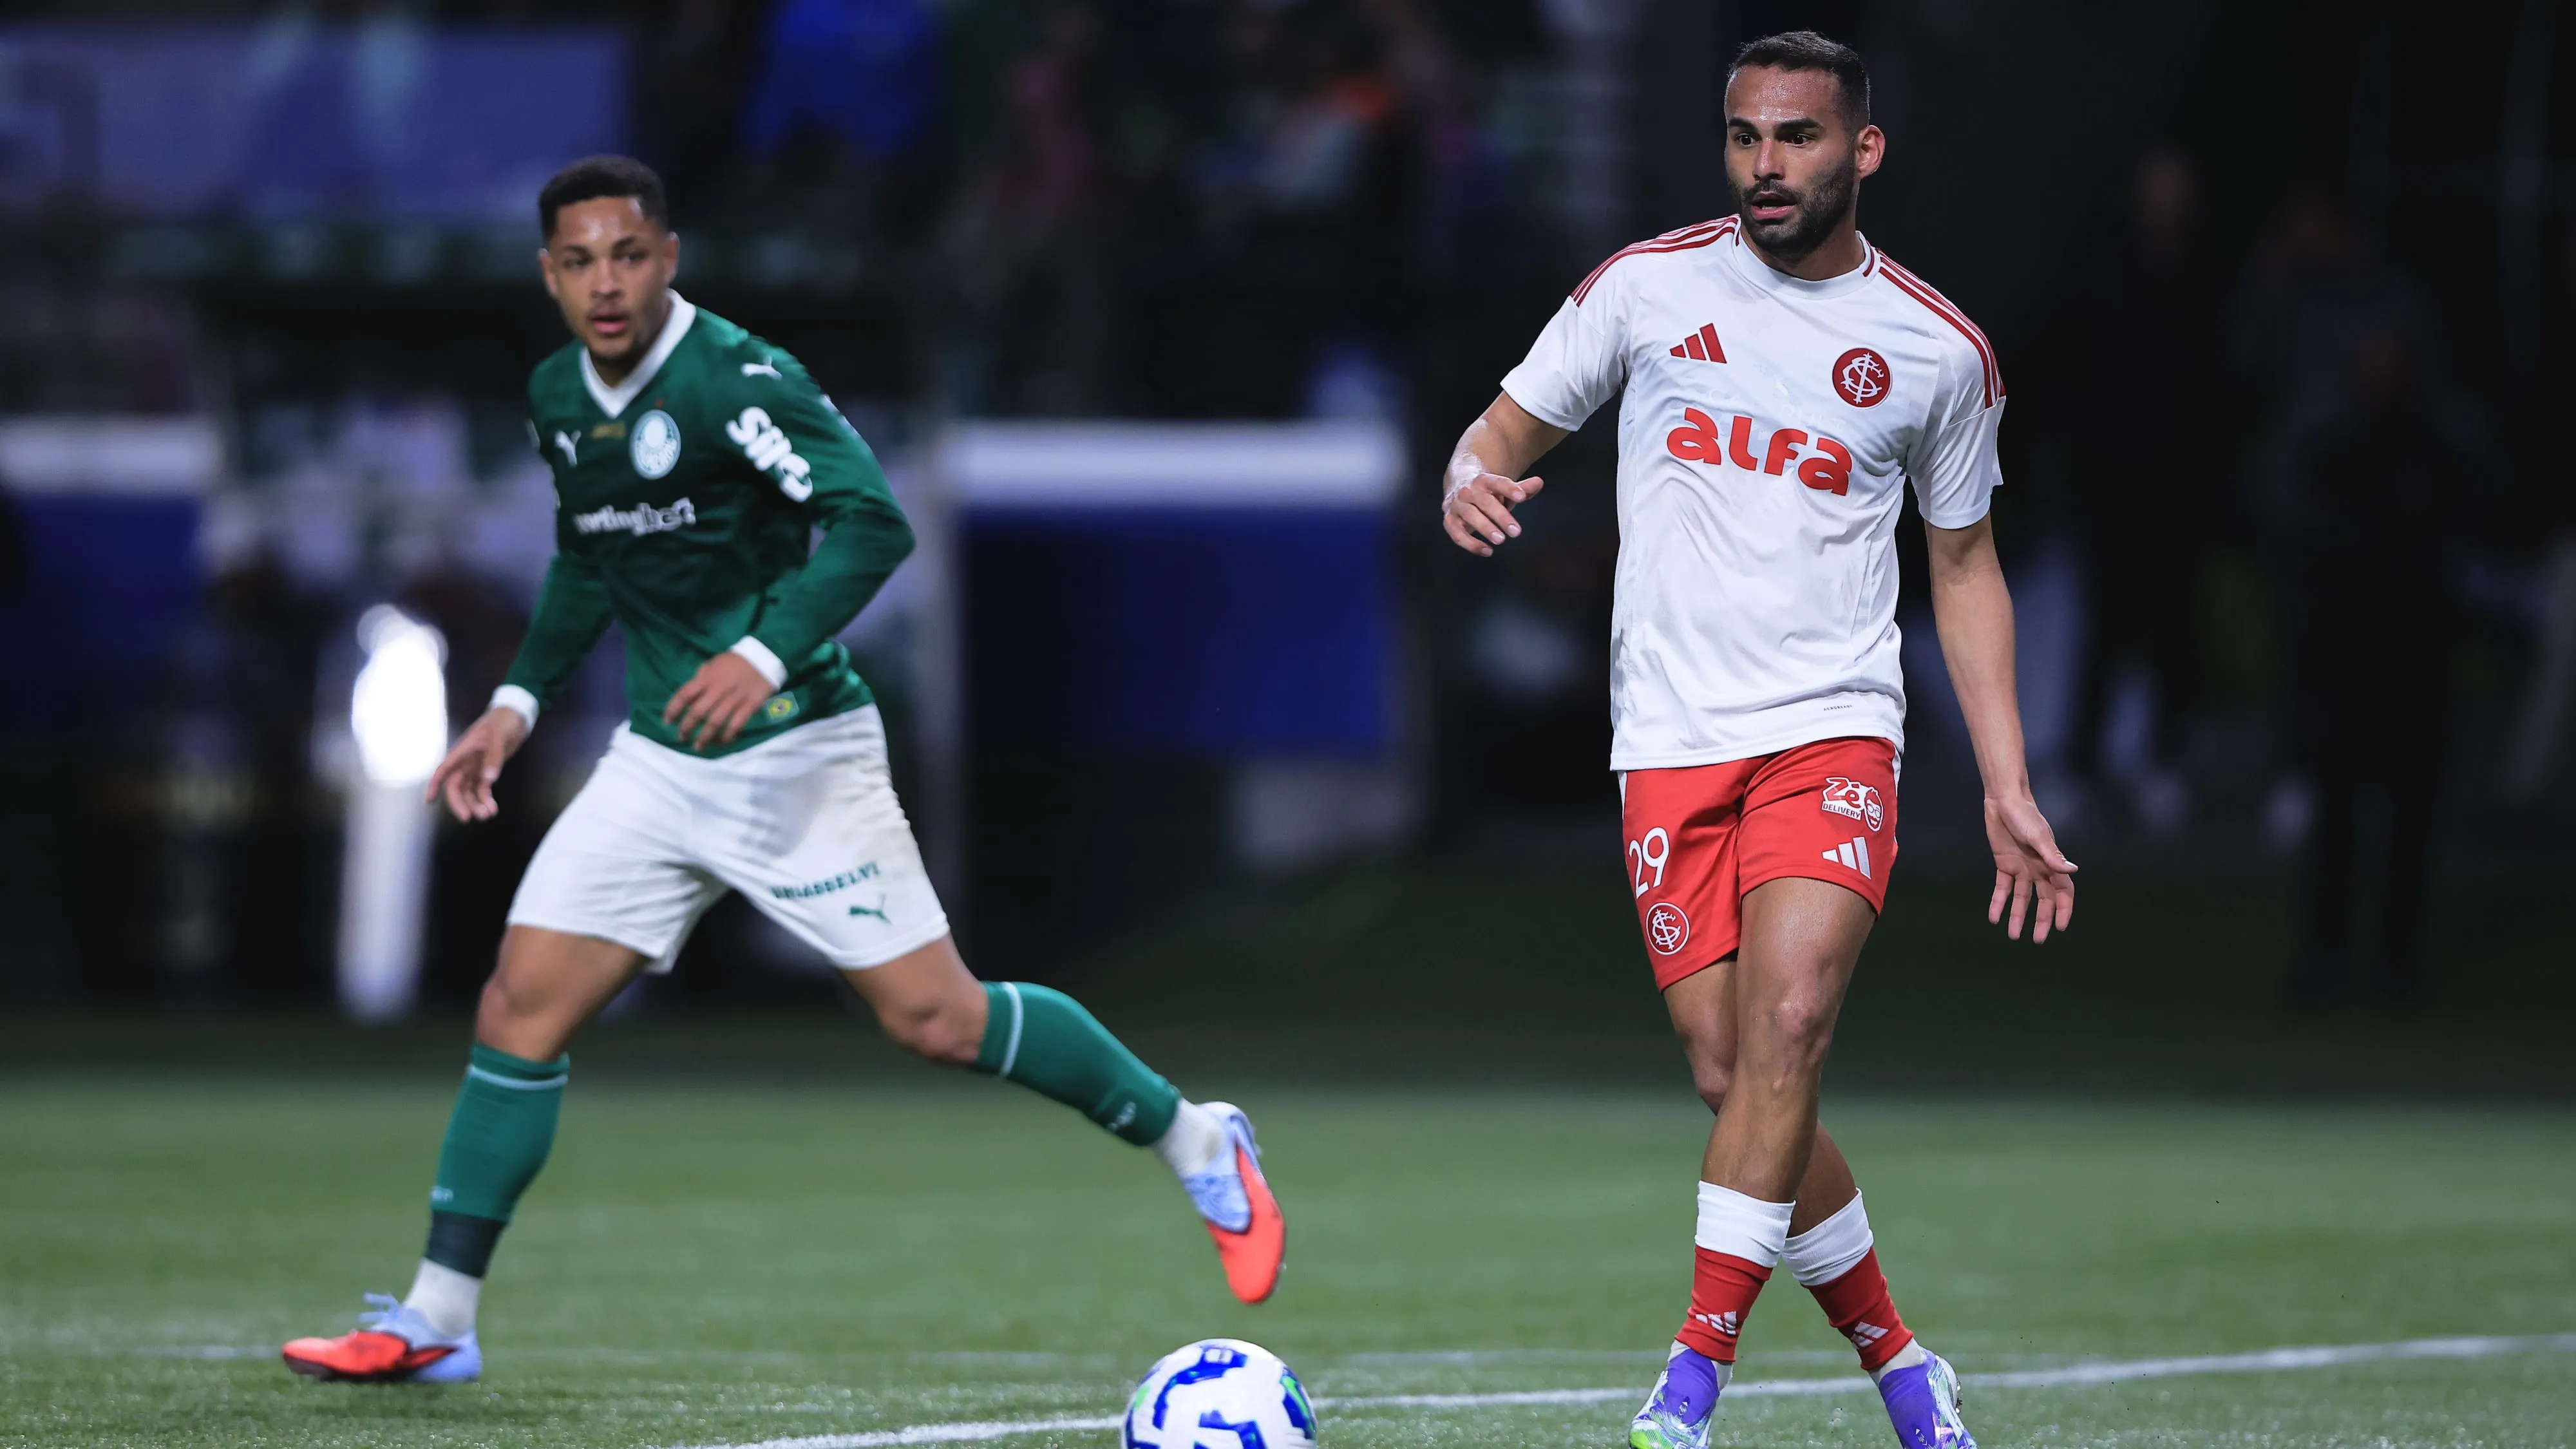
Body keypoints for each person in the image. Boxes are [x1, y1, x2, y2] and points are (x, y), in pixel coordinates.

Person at [281, 156, 1284, 1385]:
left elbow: (872, 519)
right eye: (581, 262)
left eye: (629, 255)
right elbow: (588, 556)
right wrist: (514, 703)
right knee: (519, 1004)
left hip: (798, 751)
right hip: (660, 763)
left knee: (938, 1018)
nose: (608, 283)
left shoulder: (738, 379)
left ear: (669, 258)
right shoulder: (557, 396)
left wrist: (760, 654)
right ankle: (440, 1317)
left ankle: (1196, 1139)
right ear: (550, 275)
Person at [1437, 32, 2073, 1449]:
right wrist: (1467, 480)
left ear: (1864, 150)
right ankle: (1902, 1362)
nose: (1763, 165)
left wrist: (2008, 782)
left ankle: (1688, 1382)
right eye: (1743, 137)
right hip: (1668, 736)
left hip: (1830, 730)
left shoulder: (1937, 350)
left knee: (1791, 1024)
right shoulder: (1645, 290)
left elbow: (1963, 564)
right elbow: (1496, 435)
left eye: (1795, 137)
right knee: (1737, 1079)